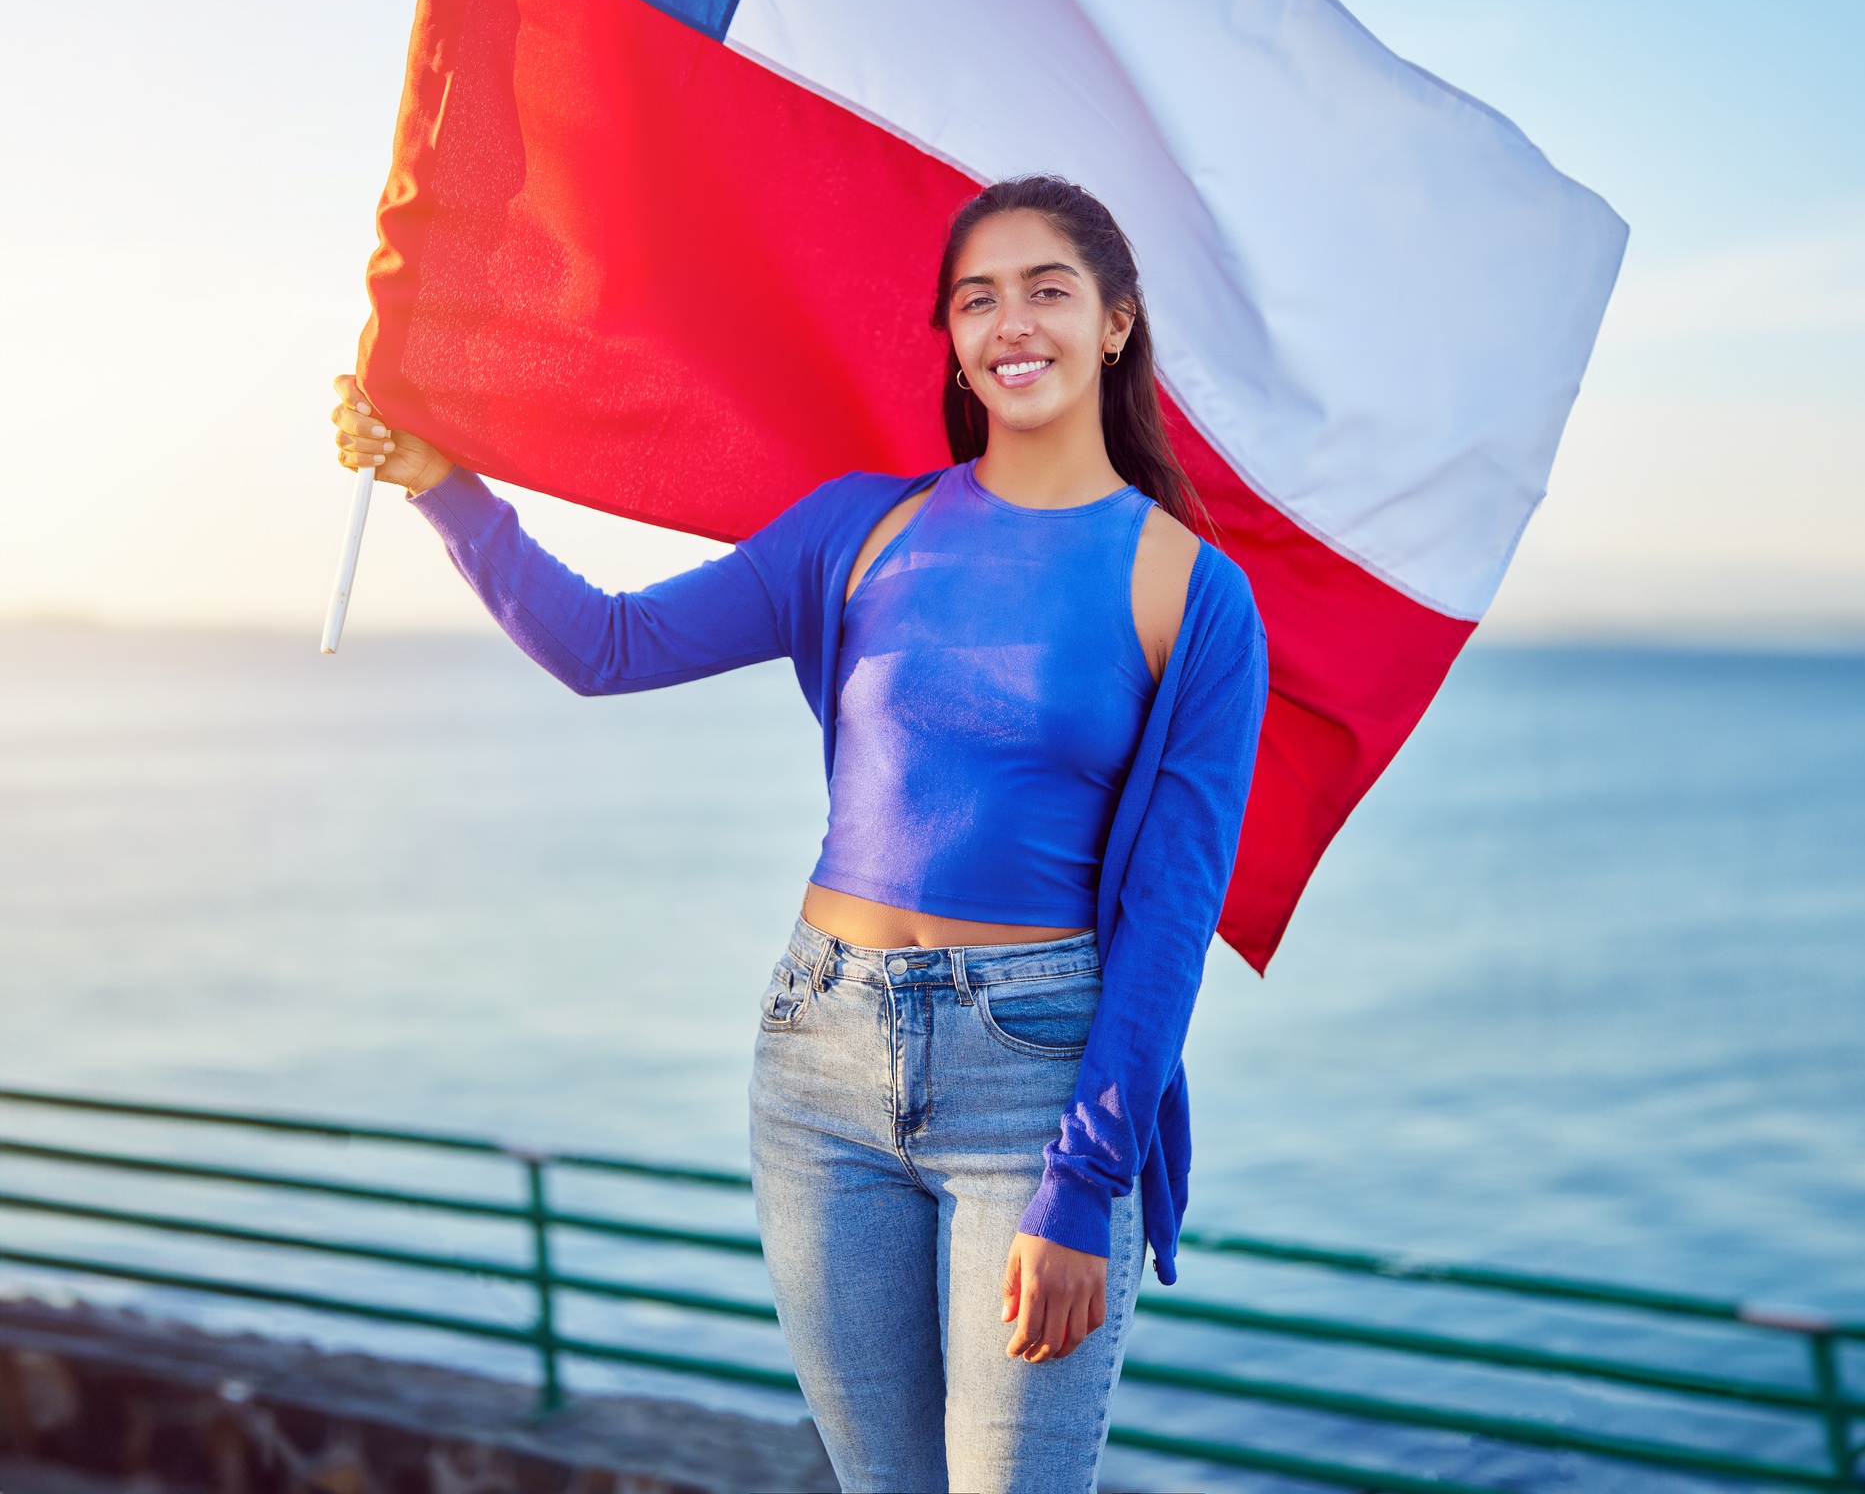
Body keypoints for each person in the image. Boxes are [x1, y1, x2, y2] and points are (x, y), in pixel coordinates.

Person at [330, 175, 1268, 1494]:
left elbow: (1172, 917)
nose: (1013, 323)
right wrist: (445, 489)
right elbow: (609, 646)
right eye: (976, 298)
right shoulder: (858, 531)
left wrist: (1085, 1179)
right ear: (947, 337)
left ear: (1116, 323)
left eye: (1047, 290)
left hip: (1034, 1089)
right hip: (818, 1055)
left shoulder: (1190, 589)